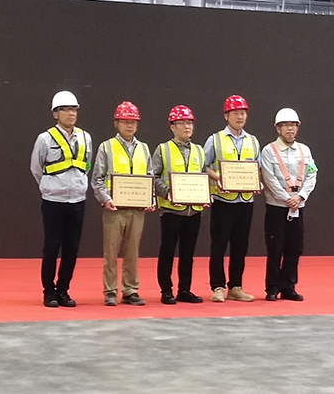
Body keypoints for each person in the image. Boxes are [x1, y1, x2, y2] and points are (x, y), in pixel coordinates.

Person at [30, 90, 92, 308]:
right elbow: (36, 168)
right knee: (51, 247)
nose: (71, 113)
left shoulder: (85, 138)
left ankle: (63, 290)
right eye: (65, 109)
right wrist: (50, 187)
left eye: (74, 109)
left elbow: (86, 165)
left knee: (71, 249)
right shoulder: (45, 139)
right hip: (53, 201)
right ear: (55, 114)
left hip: (77, 201)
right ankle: (49, 292)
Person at [91, 101, 154, 306]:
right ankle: (110, 291)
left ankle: (130, 290)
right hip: (114, 209)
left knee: (133, 252)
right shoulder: (106, 147)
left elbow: (150, 177)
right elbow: (97, 179)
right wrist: (105, 199)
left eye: (133, 122)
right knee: (111, 252)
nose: (129, 125)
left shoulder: (143, 148)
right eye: (125, 121)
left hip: (137, 209)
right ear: (116, 123)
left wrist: (150, 199)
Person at [204, 94, 261, 302]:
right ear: (226, 115)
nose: (240, 117)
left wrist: (257, 182)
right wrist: (218, 177)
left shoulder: (252, 141)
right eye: (236, 113)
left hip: (245, 201)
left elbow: (257, 167)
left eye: (243, 113)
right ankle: (218, 286)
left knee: (240, 246)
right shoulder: (215, 139)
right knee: (219, 245)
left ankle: (236, 286)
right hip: (223, 201)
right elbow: (203, 165)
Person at [260, 107, 318, 302]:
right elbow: (269, 178)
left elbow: (312, 175)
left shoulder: (305, 150)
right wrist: (287, 198)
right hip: (276, 207)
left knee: (295, 248)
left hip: (297, 207)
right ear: (278, 128)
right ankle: (272, 287)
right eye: (285, 125)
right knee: (275, 248)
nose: (290, 129)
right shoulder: (269, 151)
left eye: (293, 125)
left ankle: (288, 286)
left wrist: (300, 197)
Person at [153, 105, 206, 305]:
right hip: (171, 209)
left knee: (188, 253)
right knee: (167, 251)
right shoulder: (163, 149)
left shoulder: (199, 150)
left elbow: (202, 176)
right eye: (182, 123)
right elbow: (153, 175)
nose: (187, 126)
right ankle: (166, 290)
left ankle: (185, 289)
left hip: (194, 210)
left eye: (190, 122)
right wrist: (168, 192)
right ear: (172, 127)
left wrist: (205, 195)